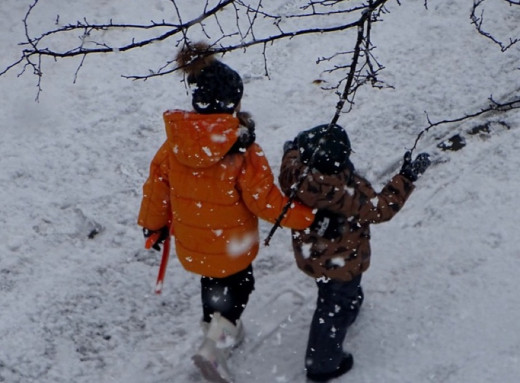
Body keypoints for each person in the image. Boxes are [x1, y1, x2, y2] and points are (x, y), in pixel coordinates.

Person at [137, 42, 314, 383]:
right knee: (240, 285)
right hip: (231, 244)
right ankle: (213, 349)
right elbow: (266, 203)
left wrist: (153, 226)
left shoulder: (175, 145)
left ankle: (217, 330)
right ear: (232, 104)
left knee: (212, 283)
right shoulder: (243, 152)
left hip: (195, 243)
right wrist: (305, 216)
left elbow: (156, 188)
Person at [278, 123, 430, 382]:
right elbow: (381, 208)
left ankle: (348, 303)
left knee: (331, 290)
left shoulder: (294, 176)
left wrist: (293, 150)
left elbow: (288, 162)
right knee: (332, 307)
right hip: (342, 262)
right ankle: (322, 365)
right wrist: (406, 179)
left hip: (312, 253)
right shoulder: (350, 193)